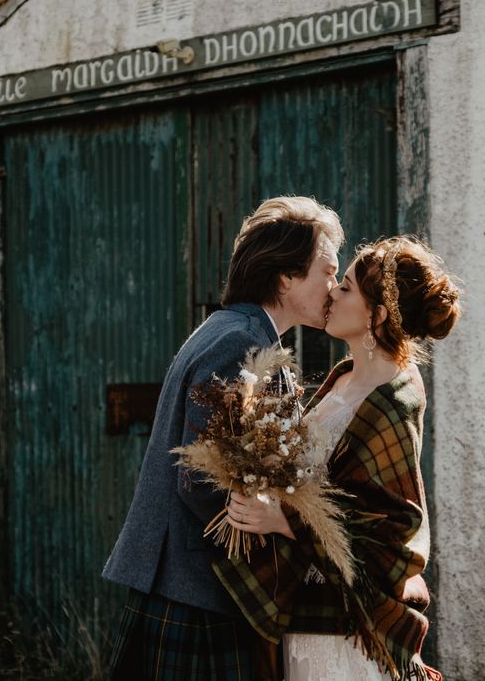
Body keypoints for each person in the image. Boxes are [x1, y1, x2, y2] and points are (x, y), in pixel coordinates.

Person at [103, 196, 344, 679]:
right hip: (196, 589)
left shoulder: (238, 330)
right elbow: (200, 476)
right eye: (328, 271)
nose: (334, 287)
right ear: (287, 276)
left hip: (189, 585)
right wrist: (276, 528)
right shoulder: (240, 341)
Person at [216, 236, 461, 681]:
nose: (332, 294)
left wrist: (283, 519)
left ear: (378, 315)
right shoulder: (345, 376)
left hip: (346, 630)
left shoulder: (394, 401)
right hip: (307, 608)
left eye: (345, 287)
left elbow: (387, 533)